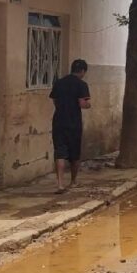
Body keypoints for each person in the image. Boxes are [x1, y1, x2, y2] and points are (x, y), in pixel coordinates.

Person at [50, 59, 91, 193]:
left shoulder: (59, 83)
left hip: (58, 121)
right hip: (74, 123)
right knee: (75, 154)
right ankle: (73, 182)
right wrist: (88, 104)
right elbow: (82, 103)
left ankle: (60, 184)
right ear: (83, 71)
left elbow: (55, 101)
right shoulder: (82, 84)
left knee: (60, 153)